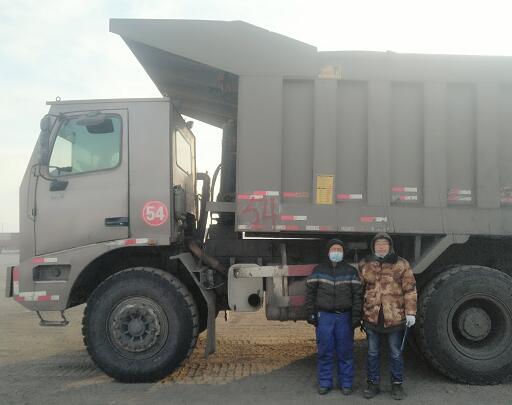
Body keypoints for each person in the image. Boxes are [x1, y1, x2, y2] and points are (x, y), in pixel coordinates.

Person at [358, 233, 417, 400]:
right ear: (373, 246)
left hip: (395, 317)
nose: (381, 247)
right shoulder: (365, 264)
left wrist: (411, 312)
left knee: (395, 353)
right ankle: (372, 384)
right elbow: (358, 291)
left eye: (385, 244)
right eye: (378, 244)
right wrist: (358, 313)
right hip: (372, 317)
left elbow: (410, 290)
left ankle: (397, 385)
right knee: (372, 353)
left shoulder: (401, 264)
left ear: (390, 246)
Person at [305, 238, 363, 395]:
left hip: (344, 317)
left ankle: (346, 384)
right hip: (324, 317)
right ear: (328, 252)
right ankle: (325, 383)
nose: (336, 252)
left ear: (343, 253)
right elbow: (310, 294)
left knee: (345, 352)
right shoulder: (318, 270)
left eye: (339, 250)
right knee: (325, 351)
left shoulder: (351, 271)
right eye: (333, 249)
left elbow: (357, 296)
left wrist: (356, 316)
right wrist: (311, 313)